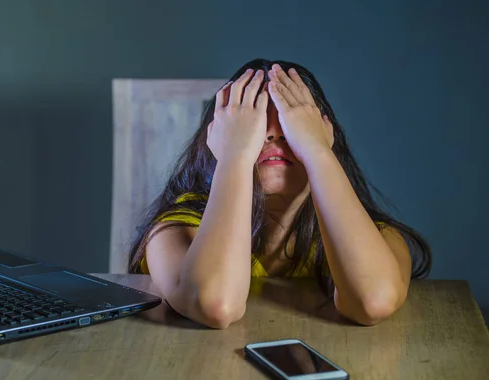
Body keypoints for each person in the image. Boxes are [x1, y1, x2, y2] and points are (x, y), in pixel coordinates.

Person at [127, 58, 432, 329]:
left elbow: (373, 301)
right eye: (253, 122)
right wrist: (235, 156)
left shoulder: (377, 237)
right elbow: (215, 304)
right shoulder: (174, 232)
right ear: (218, 139)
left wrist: (316, 152)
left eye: (292, 121)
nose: (274, 133)